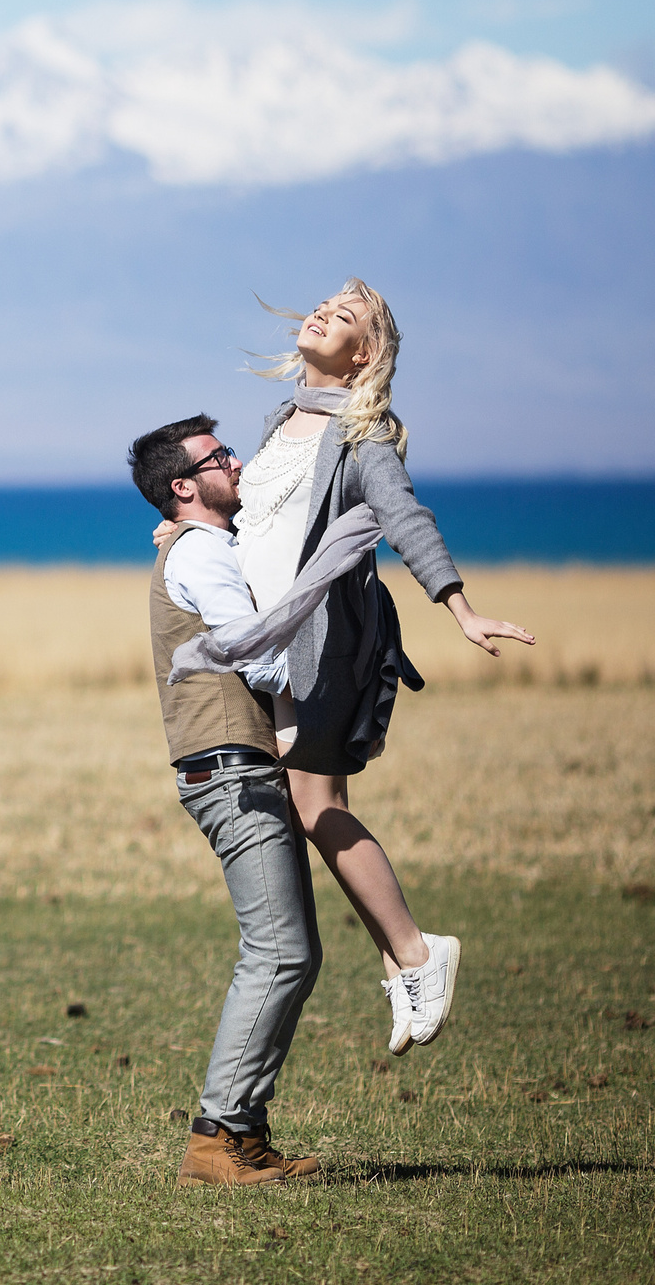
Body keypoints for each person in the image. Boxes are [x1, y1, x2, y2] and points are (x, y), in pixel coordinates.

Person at [167, 280, 535, 1055]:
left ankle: (416, 950)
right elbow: (259, 523)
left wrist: (459, 605)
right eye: (324, 303)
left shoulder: (364, 432)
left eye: (345, 316)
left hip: (322, 644)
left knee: (314, 800)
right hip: (274, 644)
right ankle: (403, 958)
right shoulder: (280, 421)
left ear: (362, 353)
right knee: (309, 804)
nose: (322, 313)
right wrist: (188, 534)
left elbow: (405, 516)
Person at [131, 414, 322, 1188]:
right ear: (184, 486)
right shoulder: (204, 549)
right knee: (278, 951)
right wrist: (320, 677)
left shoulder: (201, 544)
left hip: (234, 764)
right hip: (230, 768)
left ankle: (243, 1132)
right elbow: (253, 649)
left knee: (293, 952)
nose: (237, 461)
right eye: (221, 456)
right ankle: (213, 1140)